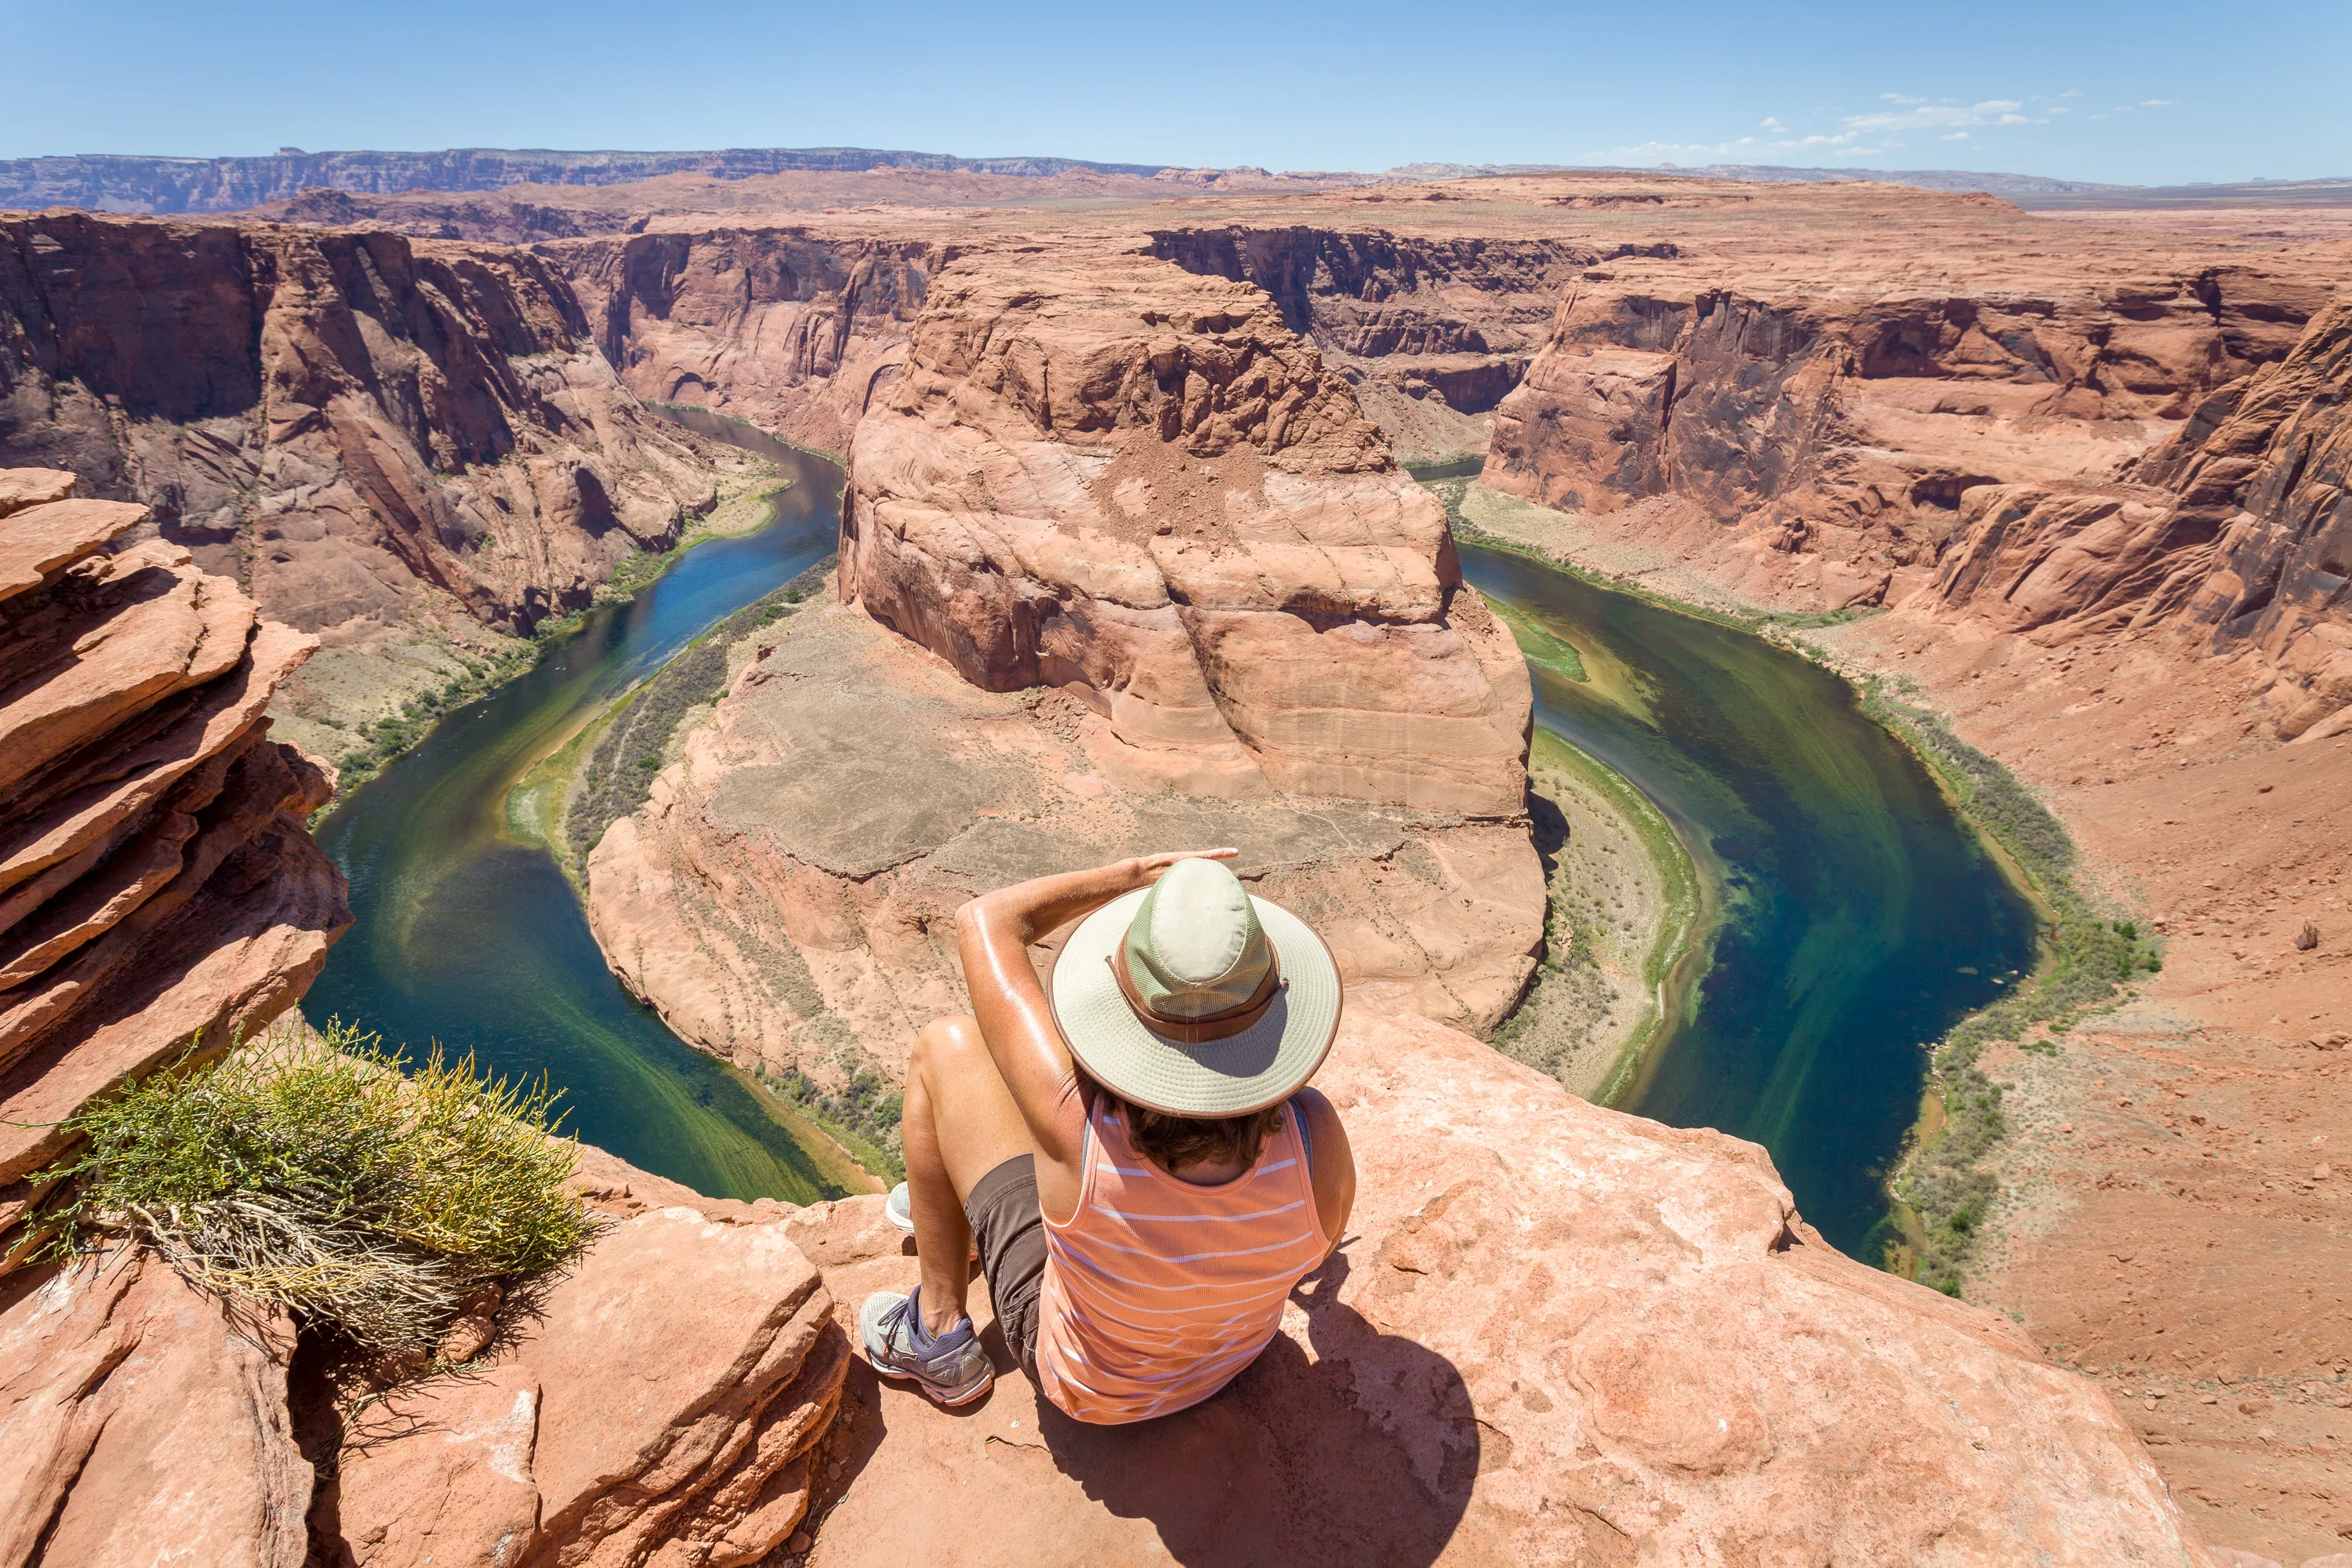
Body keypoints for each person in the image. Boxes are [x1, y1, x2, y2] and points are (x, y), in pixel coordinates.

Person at [859, 848, 1356, 1424]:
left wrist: (1130, 877)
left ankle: (937, 1334)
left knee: (946, 1046)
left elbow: (984, 920)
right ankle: (959, 1222)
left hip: (1085, 1387)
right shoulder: (1316, 1135)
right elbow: (1312, 1252)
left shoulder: (1073, 1123)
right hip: (1223, 1365)